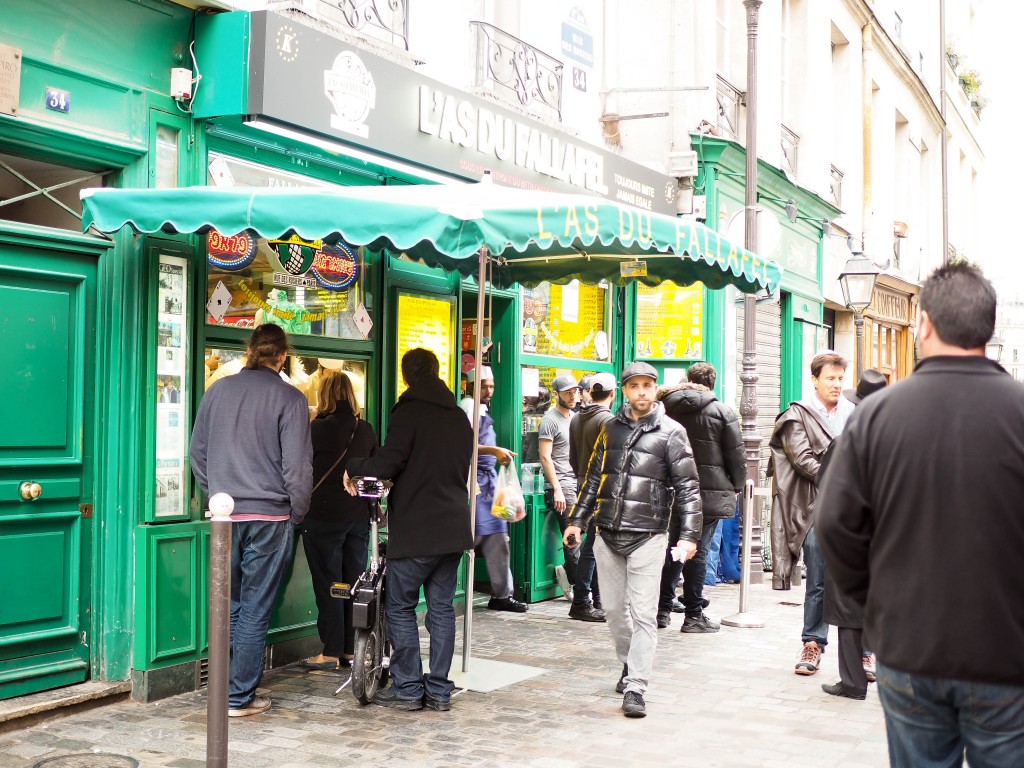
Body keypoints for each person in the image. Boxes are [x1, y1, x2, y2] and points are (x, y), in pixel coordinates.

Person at [819, 263, 1024, 766]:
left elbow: (834, 524)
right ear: (988, 329)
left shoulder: (877, 416)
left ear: (925, 325)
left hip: (912, 645)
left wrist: (876, 602)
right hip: (1008, 649)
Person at [564, 362, 702, 718]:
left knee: (643, 614)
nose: (641, 391)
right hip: (607, 533)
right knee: (613, 612)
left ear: (655, 389)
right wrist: (577, 520)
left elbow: (688, 488)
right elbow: (593, 477)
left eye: (647, 385)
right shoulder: (609, 428)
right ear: (624, 390)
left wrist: (688, 536)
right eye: (634, 385)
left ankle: (636, 686)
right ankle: (630, 662)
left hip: (649, 535)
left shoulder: (673, 433)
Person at [189, 324, 313, 717]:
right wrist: (298, 511)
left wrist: (216, 496)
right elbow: (297, 469)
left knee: (229, 605)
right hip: (270, 517)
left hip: (225, 517)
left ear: (249, 351)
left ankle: (223, 691)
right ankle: (238, 697)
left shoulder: (216, 392)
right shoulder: (290, 399)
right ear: (282, 356)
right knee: (255, 607)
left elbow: (198, 454)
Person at [343, 348, 473, 712]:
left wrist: (354, 464)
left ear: (406, 377)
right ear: (436, 373)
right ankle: (440, 691)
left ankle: (409, 689)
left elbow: (387, 463)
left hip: (417, 529)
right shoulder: (459, 417)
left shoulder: (409, 413)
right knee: (442, 609)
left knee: (399, 606)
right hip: (452, 529)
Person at [768, 351, 853, 677]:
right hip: (815, 510)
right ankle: (813, 643)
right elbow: (803, 460)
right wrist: (846, 480)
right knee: (818, 579)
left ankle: (863, 652)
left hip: (852, 510)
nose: (836, 384)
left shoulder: (854, 412)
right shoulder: (797, 416)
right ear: (815, 379)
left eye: (840, 378)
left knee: (857, 580)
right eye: (830, 378)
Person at [656, 362, 745, 633]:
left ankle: (661, 609)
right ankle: (694, 614)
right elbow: (736, 455)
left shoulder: (665, 407)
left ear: (688, 380)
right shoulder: (721, 412)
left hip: (669, 489)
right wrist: (737, 485)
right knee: (697, 550)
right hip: (706, 493)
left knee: (674, 548)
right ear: (712, 383)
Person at [299, 370, 378, 671]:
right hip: (357, 518)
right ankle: (348, 647)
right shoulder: (366, 429)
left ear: (325, 395)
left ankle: (331, 650)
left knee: (329, 583)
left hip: (321, 518)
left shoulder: (315, 429)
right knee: (349, 583)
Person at [817, 368, 887, 700]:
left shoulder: (846, 443)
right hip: (888, 537)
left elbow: (826, 488)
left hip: (852, 535)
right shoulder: (898, 442)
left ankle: (853, 681)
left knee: (847, 607)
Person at [461, 366, 527, 613]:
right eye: (484, 386)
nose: (489, 391)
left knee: (497, 539)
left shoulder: (483, 409)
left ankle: (502, 595)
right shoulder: (468, 407)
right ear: (471, 386)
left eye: (491, 386)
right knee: (470, 538)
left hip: (489, 485)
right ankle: (451, 589)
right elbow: (464, 445)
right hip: (474, 484)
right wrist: (495, 451)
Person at [566, 372, 617, 622]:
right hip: (600, 489)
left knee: (594, 544)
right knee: (592, 546)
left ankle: (597, 598)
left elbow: (573, 458)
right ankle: (582, 600)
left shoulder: (577, 418)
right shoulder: (608, 421)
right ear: (612, 394)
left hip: (582, 484)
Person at [539, 374, 580, 598]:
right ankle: (576, 585)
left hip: (576, 482)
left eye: (574, 391)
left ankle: (568, 572)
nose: (573, 395)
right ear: (556, 394)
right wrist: (556, 489)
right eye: (567, 392)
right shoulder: (550, 420)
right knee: (572, 534)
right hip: (562, 484)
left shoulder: (574, 417)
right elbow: (545, 457)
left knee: (581, 533)